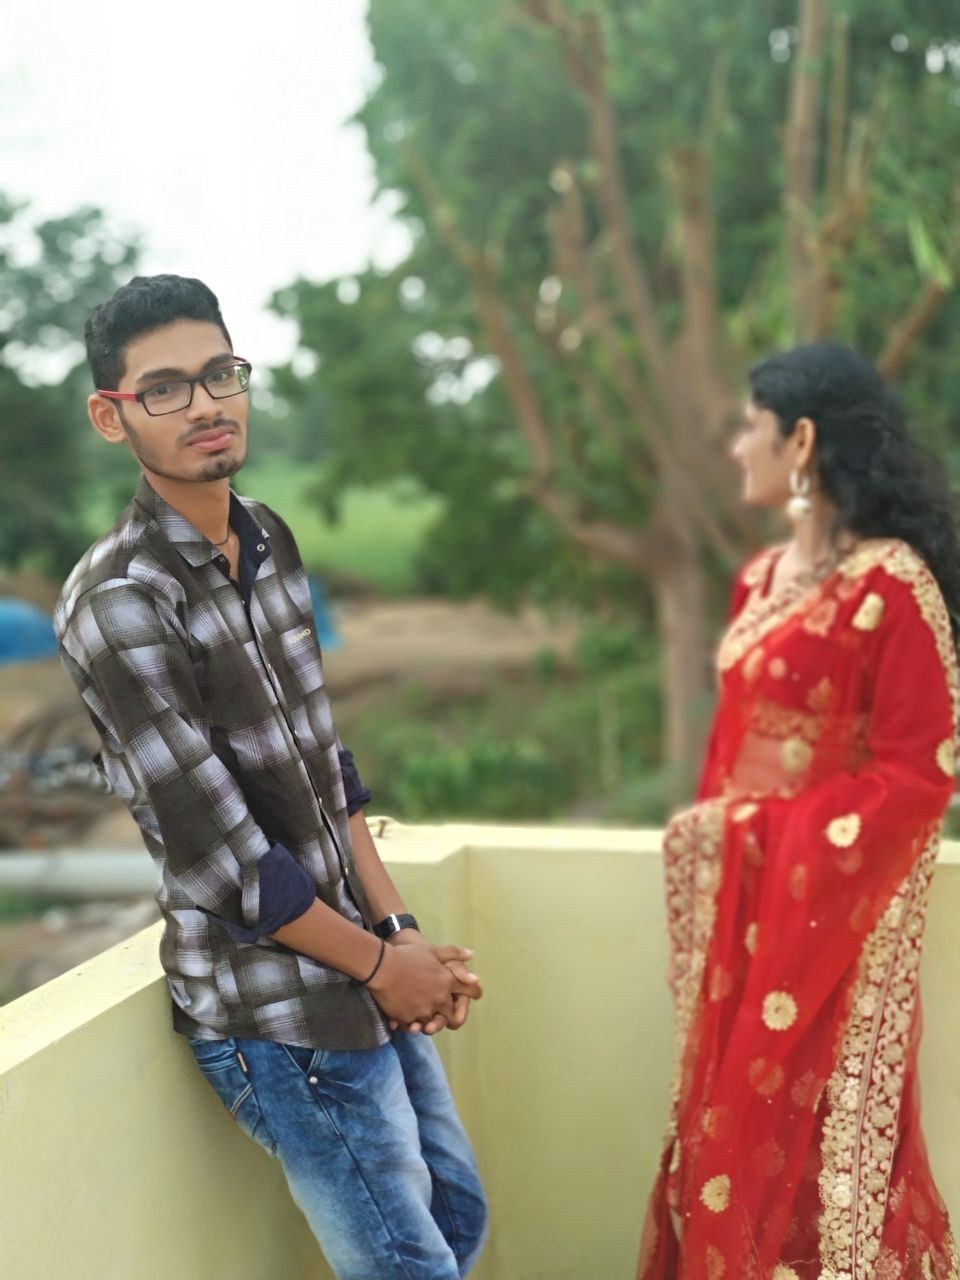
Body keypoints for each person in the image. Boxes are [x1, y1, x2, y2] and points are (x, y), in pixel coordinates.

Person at [54, 274, 488, 1280]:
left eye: (220, 374)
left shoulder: (267, 537)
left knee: (458, 1218)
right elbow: (227, 860)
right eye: (165, 388)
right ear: (112, 416)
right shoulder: (120, 601)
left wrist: (399, 929)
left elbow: (325, 767)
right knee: (409, 1265)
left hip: (358, 963)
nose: (206, 404)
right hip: (276, 1012)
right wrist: (384, 968)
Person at [638, 343, 960, 1279]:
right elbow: (730, 754)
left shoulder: (892, 586)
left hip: (833, 932)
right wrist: (722, 845)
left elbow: (920, 773)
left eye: (753, 427)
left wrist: (763, 838)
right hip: (746, 921)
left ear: (803, 441)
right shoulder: (760, 579)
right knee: (722, 1141)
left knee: (827, 1158)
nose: (739, 447)